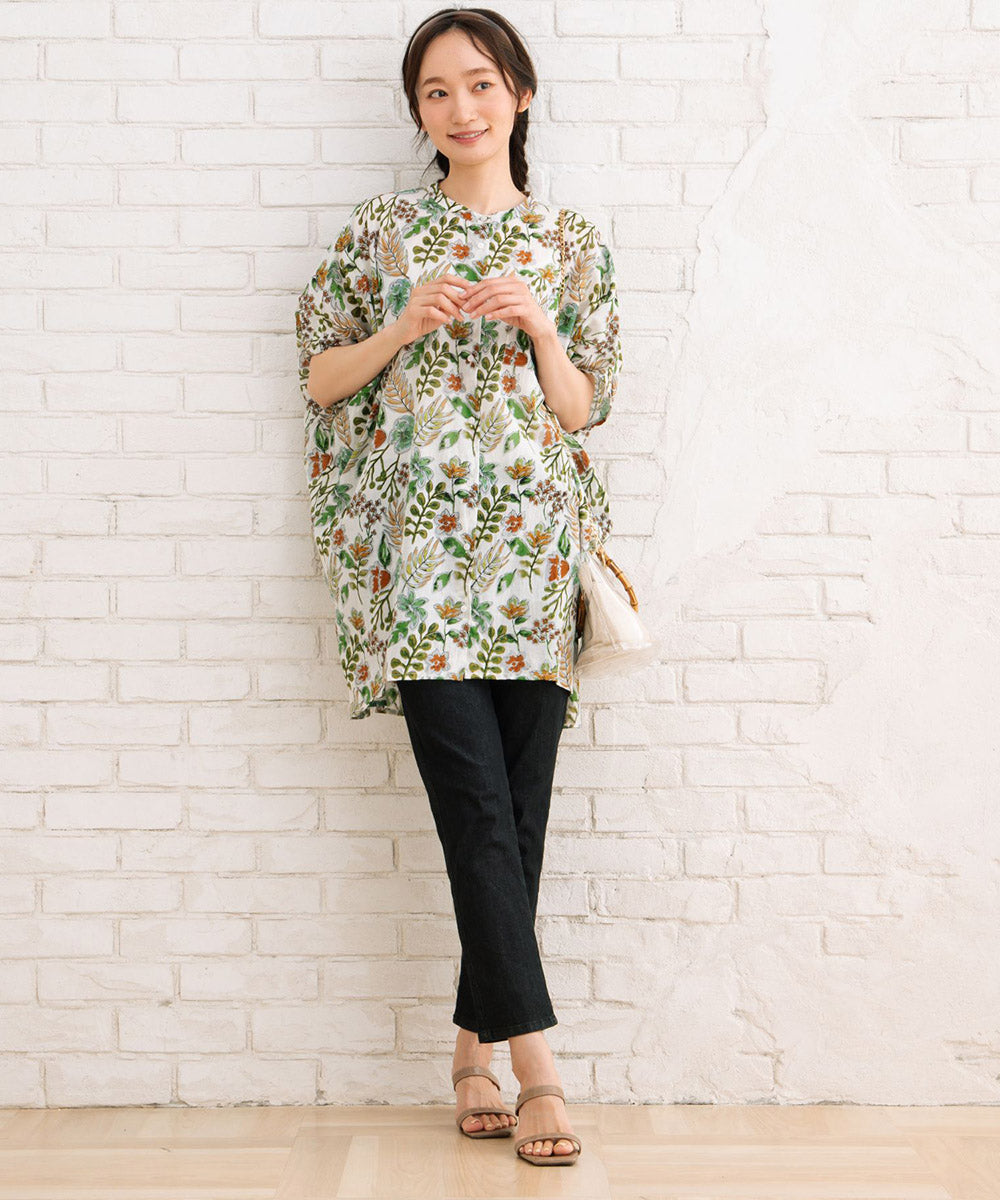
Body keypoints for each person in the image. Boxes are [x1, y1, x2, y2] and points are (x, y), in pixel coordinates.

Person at [294, 5, 622, 1167]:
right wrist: (400, 329)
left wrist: (539, 329)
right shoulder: (383, 233)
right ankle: (541, 1076)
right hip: (424, 575)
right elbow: (320, 378)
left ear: (518, 94)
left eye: (479, 84)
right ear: (418, 113)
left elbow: (583, 410)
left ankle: (467, 1056)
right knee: (478, 816)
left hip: (533, 569)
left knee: (513, 828)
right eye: (436, 91)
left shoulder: (571, 243)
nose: (460, 108)